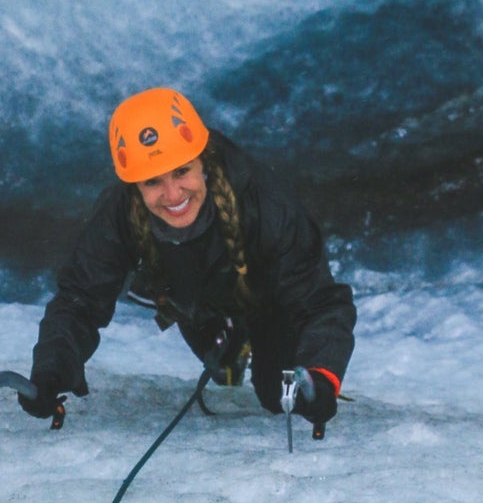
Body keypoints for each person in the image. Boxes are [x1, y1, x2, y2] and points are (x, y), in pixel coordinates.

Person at [18, 87, 356, 433]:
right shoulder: (118, 211)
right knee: (222, 371)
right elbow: (79, 299)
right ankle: (231, 345)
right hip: (195, 302)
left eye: (181, 172)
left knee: (279, 395)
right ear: (134, 185)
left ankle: (260, 348)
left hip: (270, 302)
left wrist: (321, 373)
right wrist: (51, 370)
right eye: (152, 181)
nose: (173, 195)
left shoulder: (265, 201)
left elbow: (321, 302)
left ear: (204, 162)